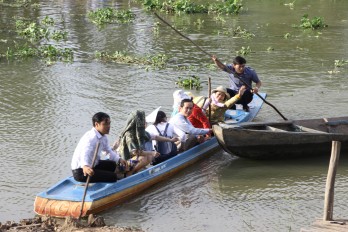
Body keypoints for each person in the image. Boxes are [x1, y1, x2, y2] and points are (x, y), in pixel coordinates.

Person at [71, 112, 127, 183]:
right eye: (105, 124)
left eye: (109, 123)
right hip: (81, 171)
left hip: (93, 165)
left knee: (112, 165)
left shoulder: (103, 137)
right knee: (113, 177)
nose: (108, 126)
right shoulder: (91, 138)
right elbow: (85, 153)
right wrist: (85, 166)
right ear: (96, 124)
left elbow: (108, 151)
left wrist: (119, 159)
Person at [115, 110, 160, 176]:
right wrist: (152, 153)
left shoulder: (141, 133)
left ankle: (136, 169)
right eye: (141, 121)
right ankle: (129, 173)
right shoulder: (129, 134)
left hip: (131, 159)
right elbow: (135, 152)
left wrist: (171, 140)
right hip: (123, 162)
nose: (143, 124)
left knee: (148, 156)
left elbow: (154, 137)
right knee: (146, 156)